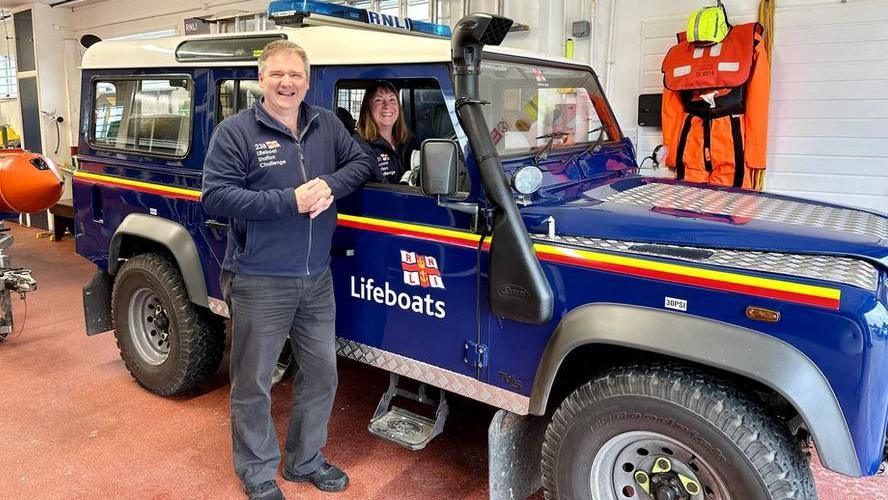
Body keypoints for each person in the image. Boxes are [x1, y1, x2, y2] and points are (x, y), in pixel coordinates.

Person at [201, 40, 373, 500]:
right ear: (262, 79)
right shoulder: (236, 132)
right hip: (259, 278)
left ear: (307, 79)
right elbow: (215, 196)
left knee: (322, 374)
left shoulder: (324, 124)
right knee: (254, 383)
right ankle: (257, 472)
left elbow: (363, 161)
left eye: (295, 75)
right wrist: (291, 200)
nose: (286, 83)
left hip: (316, 278)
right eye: (277, 74)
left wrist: (329, 186)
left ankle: (305, 460)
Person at [354, 80, 420, 184]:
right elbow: (382, 191)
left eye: (392, 99)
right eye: (379, 100)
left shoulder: (410, 140)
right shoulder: (359, 147)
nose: (387, 106)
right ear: (368, 107)